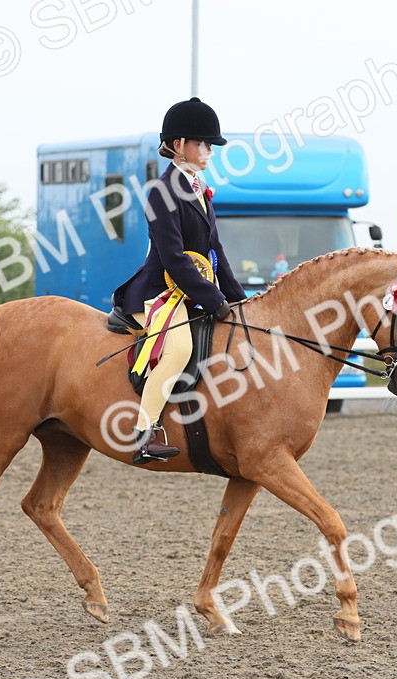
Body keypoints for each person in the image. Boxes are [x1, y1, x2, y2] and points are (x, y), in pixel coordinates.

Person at [112, 97, 247, 465]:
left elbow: (215, 253)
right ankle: (144, 433)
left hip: (189, 294)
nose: (208, 151)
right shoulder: (161, 192)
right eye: (201, 144)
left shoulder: (201, 190)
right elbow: (174, 258)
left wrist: (240, 299)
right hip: (158, 293)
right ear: (177, 145)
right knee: (179, 348)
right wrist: (214, 300)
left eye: (210, 145)